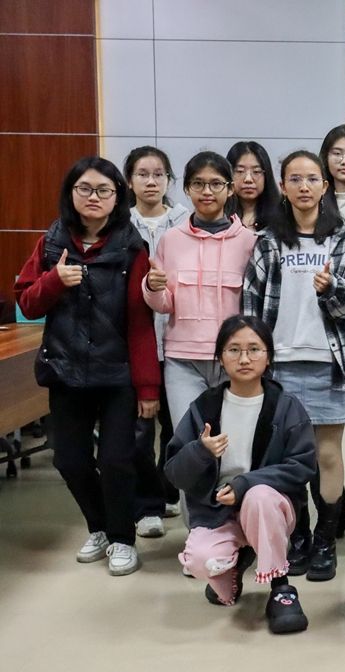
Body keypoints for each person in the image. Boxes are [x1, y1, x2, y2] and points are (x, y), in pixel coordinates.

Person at [15, 156, 160, 576]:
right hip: (65, 371)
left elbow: (140, 322)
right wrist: (54, 281)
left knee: (117, 460)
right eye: (85, 189)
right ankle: (99, 527)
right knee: (70, 460)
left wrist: (147, 388)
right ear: (71, 193)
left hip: (117, 375)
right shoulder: (52, 242)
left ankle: (122, 538)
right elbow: (27, 302)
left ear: (118, 197)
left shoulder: (132, 247)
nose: (93, 197)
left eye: (103, 190)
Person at [243, 150, 345, 582]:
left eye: (312, 179)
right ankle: (296, 538)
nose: (303, 186)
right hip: (280, 364)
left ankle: (325, 540)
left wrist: (332, 287)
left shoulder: (344, 239)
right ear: (283, 186)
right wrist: (255, 361)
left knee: (328, 454)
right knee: (289, 457)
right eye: (294, 179)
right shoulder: (268, 241)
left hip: (329, 362)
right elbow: (251, 305)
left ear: (324, 186)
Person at [165, 315, 315, 634]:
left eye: (254, 349)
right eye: (234, 350)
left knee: (258, 496)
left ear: (268, 356)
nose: (244, 358)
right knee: (199, 561)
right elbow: (174, 473)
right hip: (217, 512)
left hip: (271, 509)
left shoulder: (286, 407)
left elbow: (302, 465)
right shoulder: (204, 407)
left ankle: (280, 586)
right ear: (220, 357)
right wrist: (200, 451)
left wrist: (245, 484)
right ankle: (234, 565)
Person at [143, 151, 258, 432]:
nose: (207, 192)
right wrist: (152, 287)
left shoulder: (249, 242)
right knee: (189, 437)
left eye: (216, 184)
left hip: (235, 357)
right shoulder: (171, 240)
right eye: (198, 184)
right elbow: (164, 304)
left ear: (230, 189)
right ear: (187, 189)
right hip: (183, 360)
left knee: (234, 437)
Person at [124, 145, 190, 535]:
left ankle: (168, 492)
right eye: (143, 174)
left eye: (159, 174)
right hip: (135, 344)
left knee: (176, 427)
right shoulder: (121, 224)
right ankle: (146, 505)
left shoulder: (186, 222)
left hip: (179, 340)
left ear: (169, 180)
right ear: (129, 180)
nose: (151, 181)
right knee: (138, 430)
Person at [225, 141, 280, 231]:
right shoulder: (218, 217)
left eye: (256, 171)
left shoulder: (282, 217)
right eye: (240, 171)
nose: (248, 179)